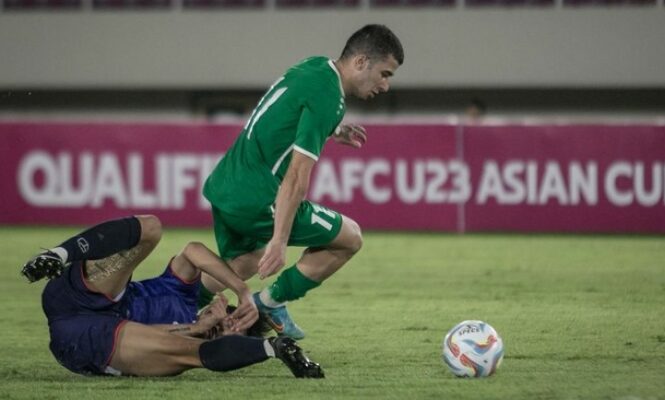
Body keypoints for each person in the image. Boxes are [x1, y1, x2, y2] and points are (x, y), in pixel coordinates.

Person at [201, 24, 404, 340]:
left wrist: (332, 130)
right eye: (385, 73)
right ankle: (267, 304)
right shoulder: (329, 99)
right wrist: (279, 240)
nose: (385, 85)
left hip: (226, 183)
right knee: (350, 237)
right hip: (257, 197)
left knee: (243, 262)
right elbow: (296, 176)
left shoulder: (315, 66)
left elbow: (287, 111)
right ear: (362, 62)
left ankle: (164, 302)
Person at [20, 215, 323, 378]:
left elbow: (158, 339)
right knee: (151, 227)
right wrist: (242, 290)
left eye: (234, 334)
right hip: (86, 294)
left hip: (85, 341)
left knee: (189, 354)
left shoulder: (178, 351)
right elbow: (192, 252)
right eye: (234, 321)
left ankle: (277, 348)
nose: (228, 328)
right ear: (226, 310)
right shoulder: (184, 296)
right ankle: (59, 254)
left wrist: (199, 331)